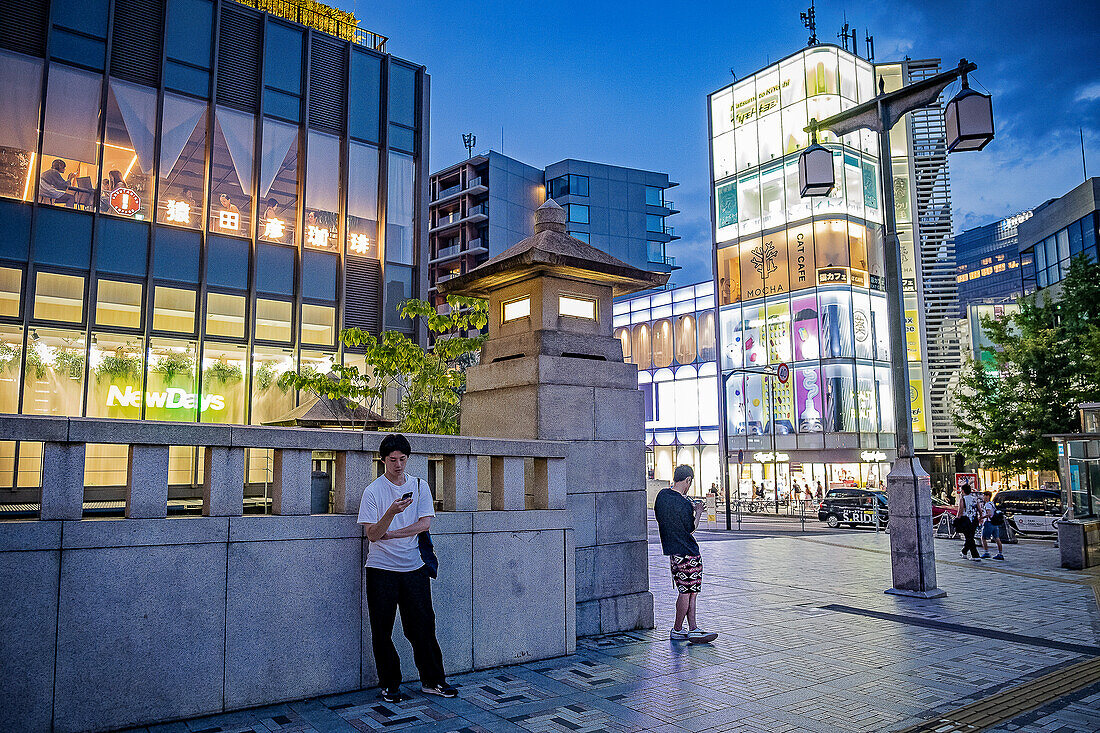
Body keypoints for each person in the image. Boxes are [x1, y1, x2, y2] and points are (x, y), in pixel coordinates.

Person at [357, 433, 457, 702]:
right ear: (383, 460)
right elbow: (373, 534)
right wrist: (391, 512)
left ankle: (433, 680)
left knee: (423, 626)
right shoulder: (373, 491)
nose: (398, 464)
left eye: (402, 459)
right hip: (381, 569)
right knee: (382, 629)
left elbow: (425, 523)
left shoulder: (421, 486)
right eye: (392, 459)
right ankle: (390, 684)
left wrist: (395, 533)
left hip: (415, 567)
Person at [654, 465, 718, 644]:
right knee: (688, 592)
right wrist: (697, 511)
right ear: (688, 480)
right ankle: (677, 629)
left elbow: (663, 518)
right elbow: (691, 528)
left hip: (673, 551)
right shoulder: (683, 503)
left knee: (687, 590)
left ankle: (693, 628)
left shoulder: (662, 496)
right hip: (688, 552)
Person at [956, 483, 981, 561]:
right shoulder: (975, 498)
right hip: (974, 519)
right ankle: (964, 552)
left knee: (969, 537)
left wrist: (957, 518)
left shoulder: (963, 499)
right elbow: (979, 509)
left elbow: (960, 510)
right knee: (970, 537)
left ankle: (975, 555)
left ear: (963, 491)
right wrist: (980, 517)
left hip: (966, 519)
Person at [980, 490, 1005, 560]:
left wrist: (981, 517)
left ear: (987, 496)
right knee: (997, 538)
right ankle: (1000, 553)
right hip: (995, 523)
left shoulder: (987, 504)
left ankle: (986, 552)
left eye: (984, 496)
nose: (983, 497)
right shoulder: (992, 504)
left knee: (983, 538)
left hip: (989, 523)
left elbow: (989, 514)